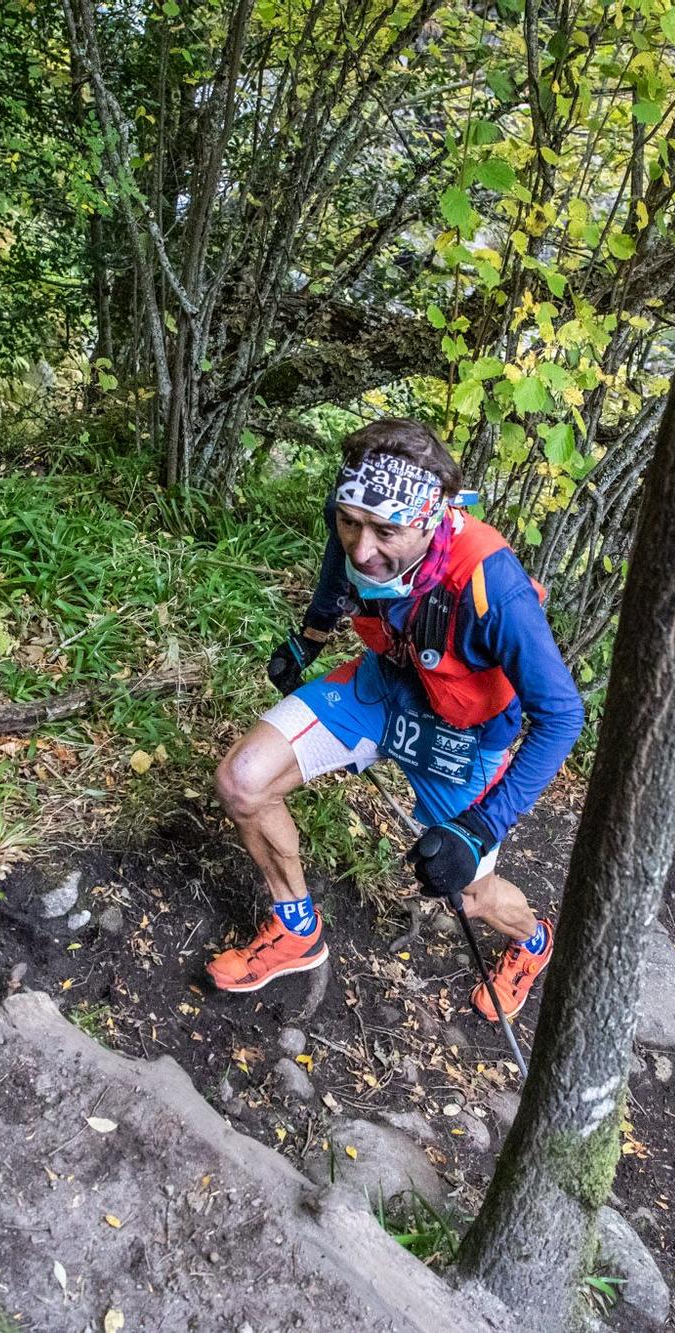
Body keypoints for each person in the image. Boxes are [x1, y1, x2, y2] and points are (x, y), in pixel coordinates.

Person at [210, 418, 585, 1023]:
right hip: (383, 687)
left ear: (432, 517)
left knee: (470, 892)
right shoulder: (360, 520)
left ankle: (533, 941)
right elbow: (342, 570)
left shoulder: (493, 584)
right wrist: (308, 640)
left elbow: (562, 716)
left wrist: (478, 828)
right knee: (242, 783)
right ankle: (296, 929)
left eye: (386, 531)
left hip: (465, 736)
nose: (363, 547)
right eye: (350, 521)